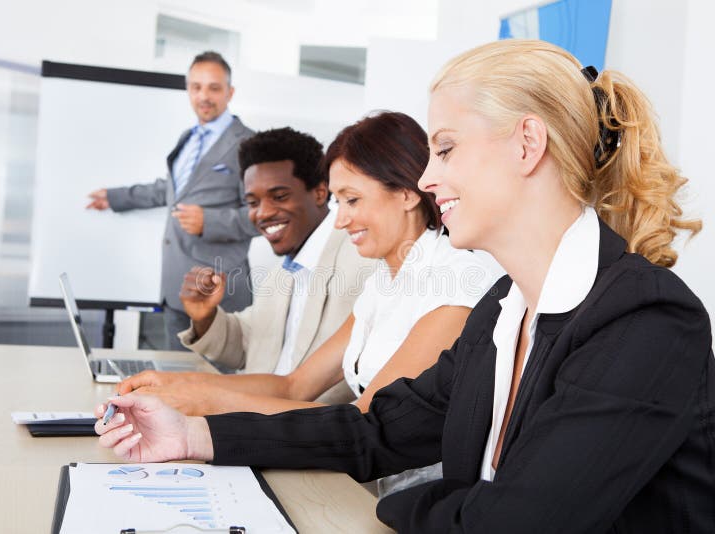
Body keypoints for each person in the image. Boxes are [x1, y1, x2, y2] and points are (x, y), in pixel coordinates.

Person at [96, 40, 715, 533]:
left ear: (528, 143)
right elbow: (376, 431)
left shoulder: (647, 319)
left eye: (445, 150)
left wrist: (398, 509)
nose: (427, 179)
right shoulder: (502, 313)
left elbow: (513, 523)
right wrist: (195, 437)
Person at [116, 112, 497, 423]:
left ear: (407, 193)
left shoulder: (453, 283)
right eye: (338, 202)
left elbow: (368, 419)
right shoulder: (385, 282)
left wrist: (206, 403)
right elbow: (295, 386)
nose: (341, 220)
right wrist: (178, 385)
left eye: (352, 200)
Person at [132, 126, 375, 401]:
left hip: (301, 430)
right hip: (255, 418)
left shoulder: (364, 261)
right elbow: (250, 344)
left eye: (279, 196)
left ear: (320, 193)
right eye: (252, 202)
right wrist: (205, 316)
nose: (263, 213)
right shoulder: (282, 272)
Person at [86, 51, 257, 350]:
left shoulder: (249, 144)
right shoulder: (188, 138)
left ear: (230, 92)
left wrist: (210, 221)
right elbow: (171, 189)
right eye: (196, 87)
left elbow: (263, 214)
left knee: (218, 389)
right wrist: (116, 198)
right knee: (175, 383)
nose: (204, 96)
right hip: (177, 287)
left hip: (219, 292)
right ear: (188, 89)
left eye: (214, 88)